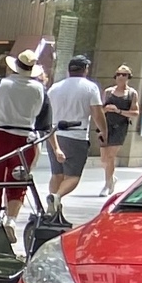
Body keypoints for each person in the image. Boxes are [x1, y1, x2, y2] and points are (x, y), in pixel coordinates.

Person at [0, 52, 46, 223]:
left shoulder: (1, 84)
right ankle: (11, 221)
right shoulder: (38, 88)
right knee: (18, 182)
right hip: (24, 138)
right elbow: (37, 112)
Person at [43, 54, 102, 211]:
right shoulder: (90, 87)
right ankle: (56, 197)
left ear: (69, 70)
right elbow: (97, 113)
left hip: (54, 135)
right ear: (85, 70)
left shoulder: (55, 87)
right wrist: (103, 130)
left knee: (56, 174)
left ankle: (53, 205)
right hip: (76, 135)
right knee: (73, 176)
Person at [99, 66, 138, 198]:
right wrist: (106, 109)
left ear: (129, 77)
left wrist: (119, 111)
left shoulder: (131, 94)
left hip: (120, 126)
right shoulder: (108, 92)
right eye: (119, 74)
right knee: (104, 159)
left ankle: (107, 184)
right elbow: (100, 109)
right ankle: (112, 177)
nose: (121, 77)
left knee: (110, 156)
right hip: (105, 125)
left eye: (125, 75)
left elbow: (135, 112)